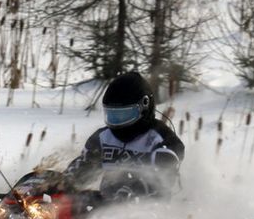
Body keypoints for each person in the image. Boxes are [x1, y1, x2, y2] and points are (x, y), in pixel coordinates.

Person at [66, 72, 184, 200]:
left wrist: (137, 188)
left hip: (149, 210)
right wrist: (63, 182)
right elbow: (85, 166)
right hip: (105, 205)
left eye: (124, 115)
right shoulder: (103, 138)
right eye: (113, 116)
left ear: (144, 106)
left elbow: (164, 175)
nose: (117, 123)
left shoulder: (161, 139)